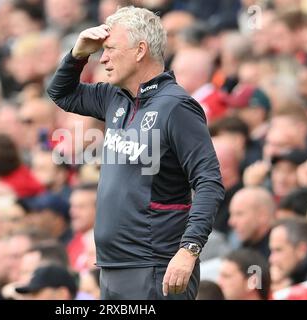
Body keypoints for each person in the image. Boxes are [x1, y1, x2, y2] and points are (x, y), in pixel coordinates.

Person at [47, 6, 224, 300]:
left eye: (110, 49)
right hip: (112, 267)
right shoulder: (115, 97)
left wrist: (189, 249)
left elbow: (209, 181)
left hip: (156, 268)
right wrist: (78, 53)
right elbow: (61, 93)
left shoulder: (176, 106)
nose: (102, 58)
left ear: (140, 50)